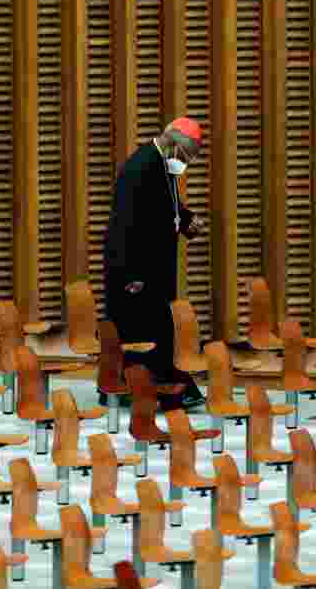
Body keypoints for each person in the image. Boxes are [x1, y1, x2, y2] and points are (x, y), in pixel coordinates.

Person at [102, 117, 208, 411]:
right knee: (140, 333)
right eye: (186, 156)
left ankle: (166, 390)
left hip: (154, 269)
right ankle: (152, 391)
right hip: (135, 271)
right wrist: (131, 272)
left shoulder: (162, 164)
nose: (185, 163)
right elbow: (124, 223)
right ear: (174, 144)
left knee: (158, 331)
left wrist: (187, 221)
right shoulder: (140, 167)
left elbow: (165, 208)